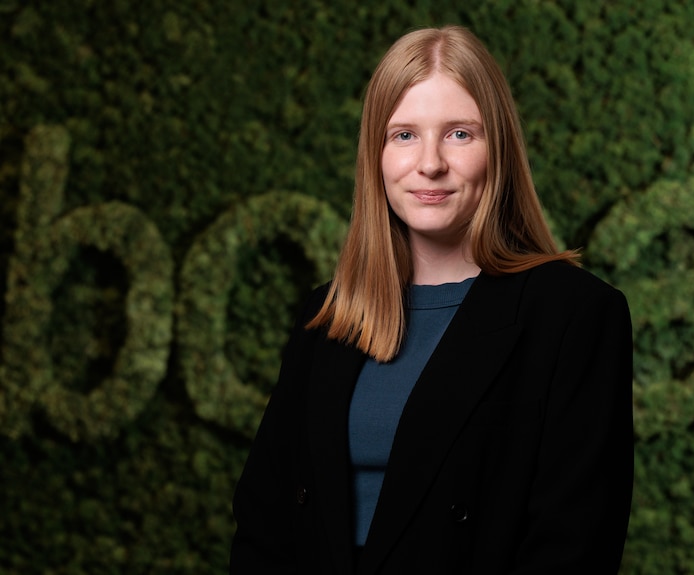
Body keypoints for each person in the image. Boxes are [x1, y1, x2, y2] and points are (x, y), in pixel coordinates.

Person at [230, 25, 633, 574]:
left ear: (500, 149)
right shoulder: (325, 316)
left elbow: (573, 547)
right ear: (375, 153)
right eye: (404, 135)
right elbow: (264, 527)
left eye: (460, 134)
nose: (430, 164)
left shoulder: (575, 315)